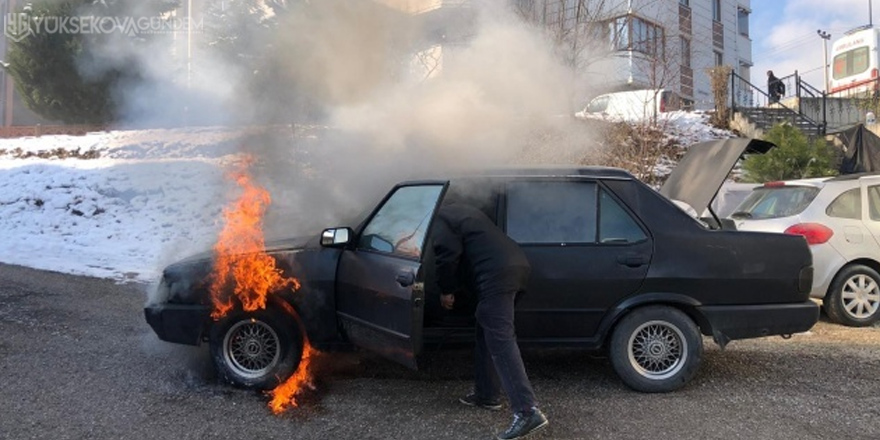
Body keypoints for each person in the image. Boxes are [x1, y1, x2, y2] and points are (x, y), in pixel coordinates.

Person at [432, 199, 548, 440]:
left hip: (496, 274)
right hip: (516, 266)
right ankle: (487, 395)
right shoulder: (466, 212)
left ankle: (527, 411)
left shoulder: (442, 217)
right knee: (486, 327)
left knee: (500, 339)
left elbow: (446, 255)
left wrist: (447, 289)